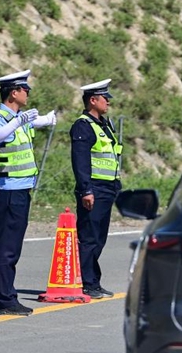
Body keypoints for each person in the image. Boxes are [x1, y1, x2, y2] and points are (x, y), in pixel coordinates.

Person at [0, 69, 56, 315]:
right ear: (13, 93)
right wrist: (17, 122)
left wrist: (47, 119)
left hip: (20, 191)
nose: (28, 93)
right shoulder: (1, 118)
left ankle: (6, 296)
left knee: (13, 248)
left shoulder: (18, 118)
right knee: (7, 248)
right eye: (24, 89)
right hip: (8, 192)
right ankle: (3, 300)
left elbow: (32, 123)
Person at [70, 78, 123, 299]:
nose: (108, 102)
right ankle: (87, 282)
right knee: (89, 238)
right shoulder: (83, 125)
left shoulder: (104, 125)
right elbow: (80, 161)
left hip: (107, 188)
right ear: (93, 100)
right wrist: (86, 190)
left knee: (99, 238)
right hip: (94, 188)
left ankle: (93, 281)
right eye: (104, 98)